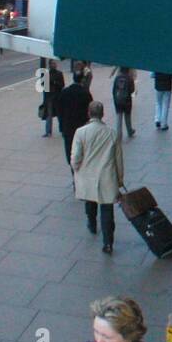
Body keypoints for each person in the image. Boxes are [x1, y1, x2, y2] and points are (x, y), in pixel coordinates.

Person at [71, 101, 123, 255]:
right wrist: (119, 179)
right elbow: (118, 159)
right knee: (107, 209)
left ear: (89, 113)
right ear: (102, 114)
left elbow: (75, 157)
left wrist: (76, 168)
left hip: (88, 174)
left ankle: (92, 223)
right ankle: (108, 242)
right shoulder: (112, 133)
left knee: (90, 200)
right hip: (107, 175)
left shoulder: (80, 132)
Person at [55, 71, 93, 168]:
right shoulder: (85, 93)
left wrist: (61, 126)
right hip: (82, 127)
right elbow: (90, 111)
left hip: (68, 128)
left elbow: (59, 110)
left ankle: (73, 171)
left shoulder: (65, 92)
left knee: (70, 152)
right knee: (82, 152)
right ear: (82, 80)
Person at [42, 59, 66, 139]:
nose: (55, 65)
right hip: (49, 97)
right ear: (50, 65)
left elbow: (62, 85)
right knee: (49, 115)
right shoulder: (46, 74)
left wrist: (55, 82)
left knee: (60, 115)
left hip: (57, 97)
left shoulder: (59, 74)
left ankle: (62, 130)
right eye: (53, 63)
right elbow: (44, 87)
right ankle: (48, 131)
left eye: (55, 63)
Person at [112, 67, 136, 141]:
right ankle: (129, 131)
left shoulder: (117, 78)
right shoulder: (130, 78)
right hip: (127, 100)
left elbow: (113, 90)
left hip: (118, 100)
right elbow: (132, 90)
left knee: (119, 117)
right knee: (127, 116)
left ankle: (119, 135)